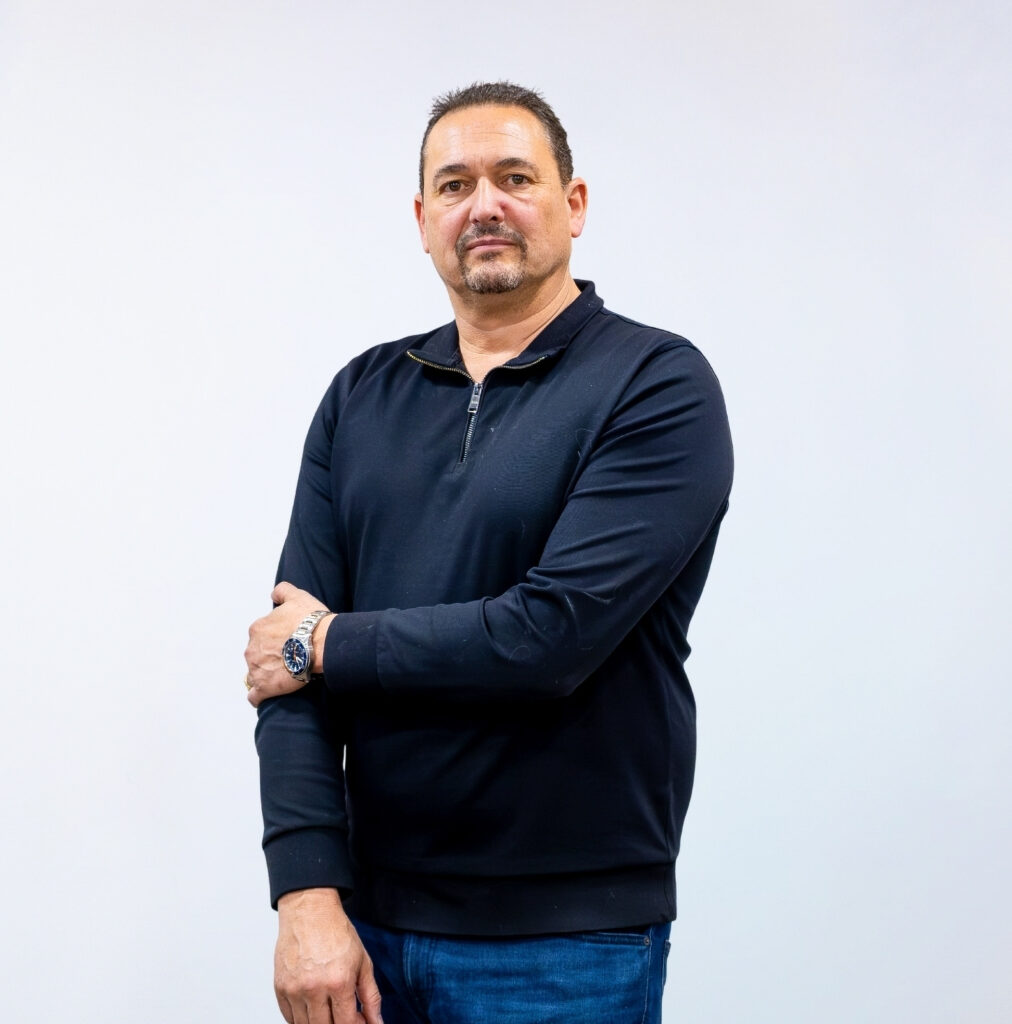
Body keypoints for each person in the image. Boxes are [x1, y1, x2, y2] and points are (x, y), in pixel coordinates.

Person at [244, 81, 733, 1024]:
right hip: (364, 933)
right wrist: (304, 892)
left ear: (573, 204)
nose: (486, 206)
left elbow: (548, 638)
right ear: (422, 219)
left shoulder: (656, 384)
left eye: (516, 177)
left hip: (568, 944)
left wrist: (327, 642)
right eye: (456, 184)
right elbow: (284, 672)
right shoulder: (360, 396)